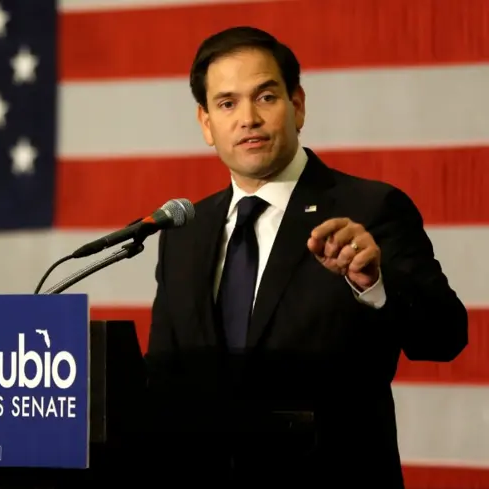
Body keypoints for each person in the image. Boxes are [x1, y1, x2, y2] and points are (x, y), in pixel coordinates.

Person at [143, 26, 468, 487]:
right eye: (227, 103)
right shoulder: (184, 232)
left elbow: (446, 336)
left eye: (266, 97)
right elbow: (164, 378)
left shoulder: (370, 209)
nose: (248, 119)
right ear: (206, 124)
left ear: (297, 105)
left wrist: (373, 284)